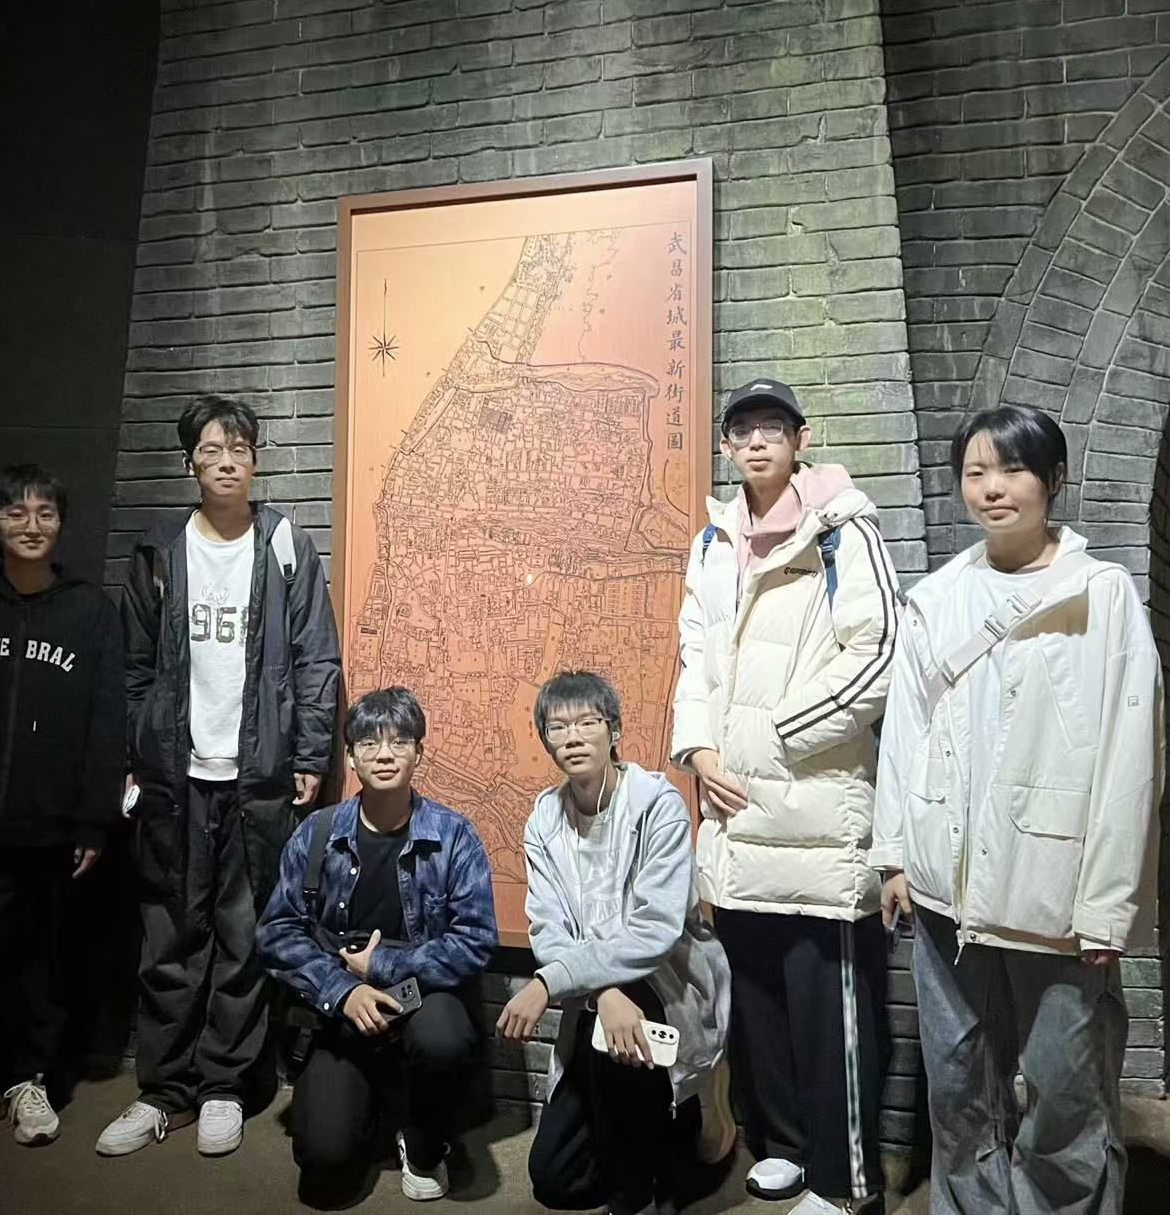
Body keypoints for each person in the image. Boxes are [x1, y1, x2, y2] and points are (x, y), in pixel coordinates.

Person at [872, 404, 1163, 1215]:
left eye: (1013, 469)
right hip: (945, 892)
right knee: (957, 1082)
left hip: (1054, 893)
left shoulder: (1102, 597)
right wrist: (893, 854)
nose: (992, 488)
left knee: (1067, 1087)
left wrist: (1108, 904)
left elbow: (1130, 757)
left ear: (1054, 480)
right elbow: (905, 735)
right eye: (975, 472)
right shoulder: (936, 600)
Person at [670, 378, 899, 1212]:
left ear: (802, 439)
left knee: (828, 1006)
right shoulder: (713, 540)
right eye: (743, 430)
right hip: (734, 811)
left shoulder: (844, 529)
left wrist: (779, 735)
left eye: (773, 427)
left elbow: (879, 654)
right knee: (758, 994)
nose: (757, 441)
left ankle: (844, 1183)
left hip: (815, 810)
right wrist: (699, 750)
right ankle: (788, 1148)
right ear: (727, 446)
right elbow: (695, 656)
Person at [101, 396, 343, 1158]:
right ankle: (163, 1091)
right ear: (190, 464)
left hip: (257, 776)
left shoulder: (284, 544)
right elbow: (132, 666)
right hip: (174, 776)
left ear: (255, 460)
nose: (227, 461)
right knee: (170, 935)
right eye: (211, 450)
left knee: (243, 935)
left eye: (239, 448)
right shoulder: (159, 550)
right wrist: (140, 750)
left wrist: (309, 754)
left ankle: (224, 1089)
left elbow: (316, 656)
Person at [0, 466, 124, 1149]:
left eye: (45, 513)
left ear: (61, 523)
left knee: (47, 963)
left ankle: (30, 1080)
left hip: (56, 826)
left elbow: (107, 723)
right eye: (16, 513)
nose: (31, 526)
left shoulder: (91, 612)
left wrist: (94, 818)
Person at [499, 671, 732, 1215]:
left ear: (615, 730)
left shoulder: (657, 804)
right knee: (555, 1180)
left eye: (587, 722)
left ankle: (646, 1180)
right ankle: (645, 1141)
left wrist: (551, 985)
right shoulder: (545, 817)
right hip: (595, 996)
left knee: (664, 1172)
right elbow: (548, 927)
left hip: (667, 981)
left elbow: (655, 930)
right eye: (558, 728)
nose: (573, 738)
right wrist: (602, 991)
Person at [257, 687, 497, 1202]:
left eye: (399, 742)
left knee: (444, 1038)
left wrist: (382, 965)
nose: (384, 754)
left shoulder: (454, 836)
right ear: (350, 756)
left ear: (419, 753)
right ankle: (380, 1105)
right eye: (369, 743)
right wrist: (343, 992)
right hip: (344, 1007)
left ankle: (425, 1139)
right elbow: (277, 932)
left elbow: (476, 941)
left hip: (422, 998)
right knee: (325, 1162)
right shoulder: (318, 834)